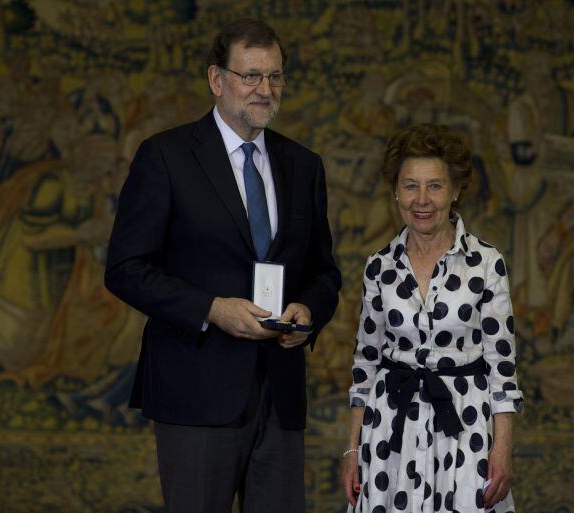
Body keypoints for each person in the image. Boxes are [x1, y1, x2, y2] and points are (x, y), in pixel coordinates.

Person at [104, 19, 342, 513]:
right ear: (217, 79)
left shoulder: (304, 164)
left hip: (281, 394)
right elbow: (125, 268)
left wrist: (307, 311)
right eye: (251, 76)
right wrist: (212, 308)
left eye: (275, 77)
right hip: (195, 391)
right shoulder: (165, 156)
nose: (265, 89)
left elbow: (325, 273)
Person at [341, 124, 524, 512]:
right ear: (395, 191)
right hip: (390, 431)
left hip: (465, 429)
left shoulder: (486, 263)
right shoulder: (379, 267)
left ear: (455, 191)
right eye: (410, 186)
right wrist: (351, 451)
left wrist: (502, 449)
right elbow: (365, 367)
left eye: (435, 186)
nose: (421, 200)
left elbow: (502, 369)